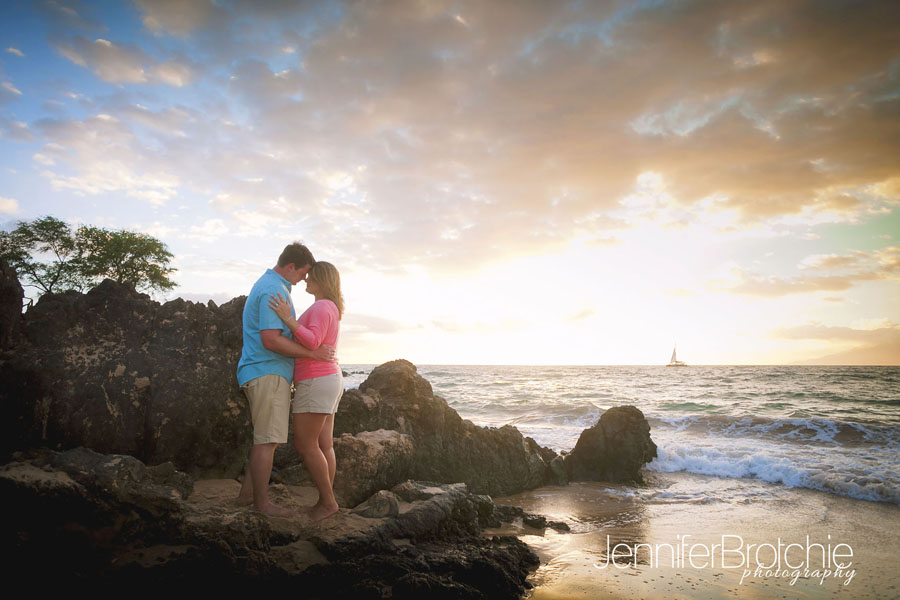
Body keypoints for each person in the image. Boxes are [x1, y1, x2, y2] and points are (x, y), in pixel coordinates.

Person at [236, 242, 335, 517]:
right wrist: (312, 354)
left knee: (264, 438)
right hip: (267, 371)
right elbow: (270, 339)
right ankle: (262, 505)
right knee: (267, 441)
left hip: (263, 371)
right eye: (304, 273)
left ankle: (247, 497)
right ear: (291, 266)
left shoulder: (273, 285)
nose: (305, 278)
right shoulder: (273, 289)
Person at [268, 261, 343, 521]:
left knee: (305, 444)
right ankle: (326, 500)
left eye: (311, 277)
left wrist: (286, 318)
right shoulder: (330, 307)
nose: (306, 280)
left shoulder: (322, 306)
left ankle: (328, 503)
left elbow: (313, 341)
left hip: (316, 381)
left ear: (322, 280)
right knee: (324, 445)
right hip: (328, 378)